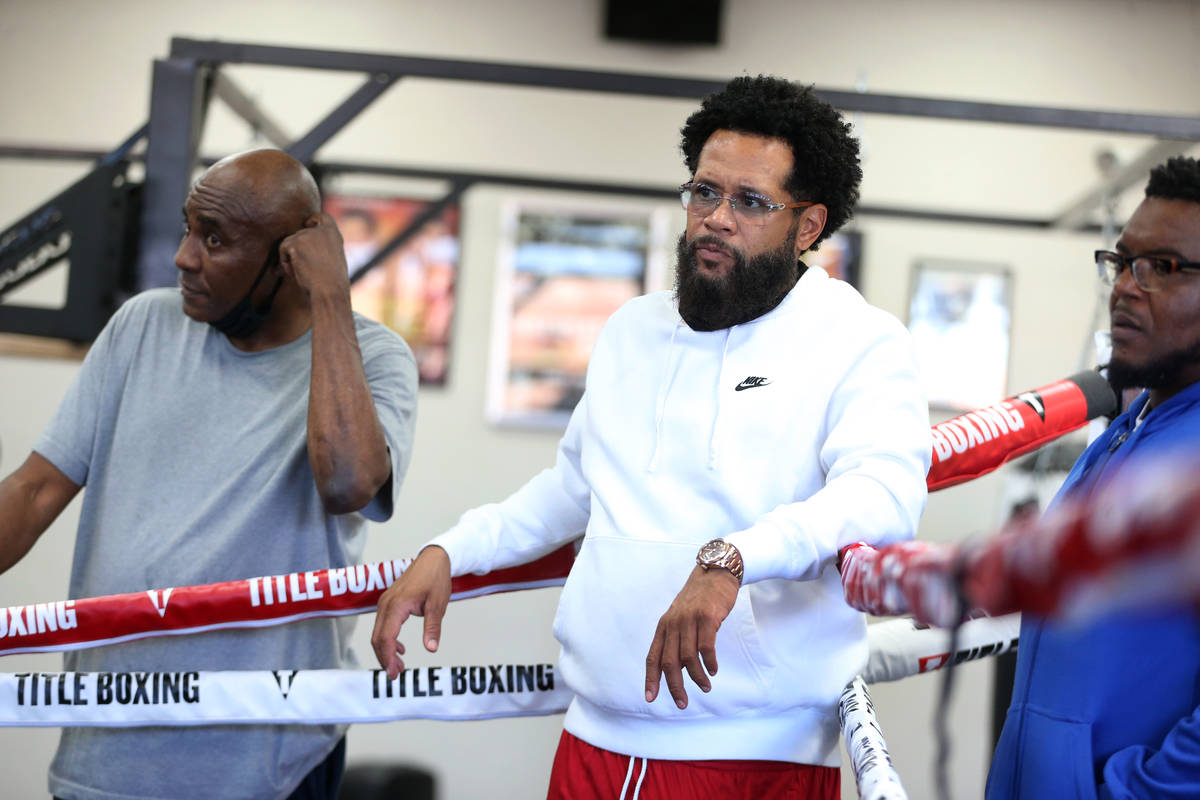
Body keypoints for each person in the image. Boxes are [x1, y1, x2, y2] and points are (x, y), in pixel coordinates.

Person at [372, 76, 930, 798]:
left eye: (751, 202)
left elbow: (882, 497)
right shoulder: (631, 329)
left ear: (808, 226)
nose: (716, 219)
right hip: (592, 739)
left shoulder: (859, 340)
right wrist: (453, 550)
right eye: (704, 192)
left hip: (754, 758)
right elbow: (574, 488)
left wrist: (734, 558)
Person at [0, 149, 418, 800]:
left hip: (267, 768)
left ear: (292, 257)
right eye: (188, 229)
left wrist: (331, 299)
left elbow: (346, 482)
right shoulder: (142, 327)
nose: (185, 257)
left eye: (216, 240)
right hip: (105, 755)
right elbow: (33, 491)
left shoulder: (376, 358)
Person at [987, 157, 1200, 798]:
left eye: (1162, 267)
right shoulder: (1130, 427)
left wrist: (1125, 792)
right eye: (1124, 262)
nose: (1126, 288)